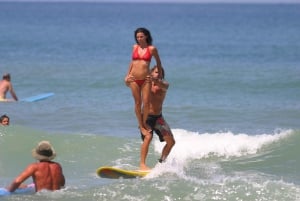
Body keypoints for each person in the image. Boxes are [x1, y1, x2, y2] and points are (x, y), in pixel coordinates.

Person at [128, 66, 175, 170]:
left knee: (171, 142)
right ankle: (142, 164)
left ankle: (161, 163)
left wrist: (153, 79)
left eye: (160, 73)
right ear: (151, 73)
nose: (158, 74)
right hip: (146, 117)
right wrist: (128, 80)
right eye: (156, 72)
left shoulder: (164, 85)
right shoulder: (145, 84)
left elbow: (161, 84)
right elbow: (132, 84)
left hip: (158, 118)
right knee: (148, 137)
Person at [125, 27, 163, 137]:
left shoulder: (152, 49)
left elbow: (159, 62)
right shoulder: (134, 47)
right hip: (134, 79)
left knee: (146, 103)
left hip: (146, 79)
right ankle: (141, 126)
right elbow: (132, 62)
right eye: (137, 37)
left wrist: (158, 77)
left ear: (146, 36)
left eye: (141, 36)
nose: (139, 38)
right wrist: (127, 75)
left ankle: (144, 122)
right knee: (137, 103)